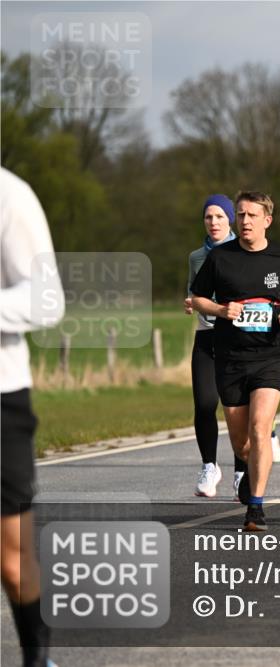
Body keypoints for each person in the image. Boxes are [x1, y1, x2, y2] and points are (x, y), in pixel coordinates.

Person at [191, 191, 280, 531]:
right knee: (242, 442)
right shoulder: (220, 258)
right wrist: (221, 309)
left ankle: (256, 507)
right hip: (230, 357)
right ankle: (247, 465)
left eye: (252, 215)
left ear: (267, 220)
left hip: (271, 355)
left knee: (260, 427)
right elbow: (196, 298)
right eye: (240, 215)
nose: (245, 221)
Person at [1, 167, 65, 667]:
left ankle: (36, 657)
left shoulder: (11, 195)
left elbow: (46, 298)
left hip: (1, 396)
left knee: (11, 556)